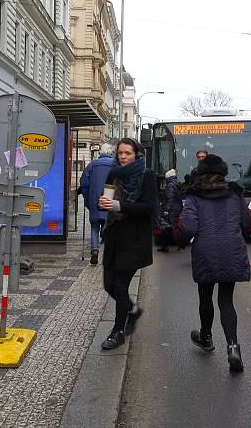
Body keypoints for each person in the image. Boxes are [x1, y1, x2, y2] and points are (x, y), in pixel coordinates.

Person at [177, 154, 251, 372]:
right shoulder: (235, 193)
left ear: (200, 173)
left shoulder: (194, 196)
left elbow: (188, 227)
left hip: (205, 252)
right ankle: (233, 347)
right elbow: (246, 224)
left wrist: (179, 240)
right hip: (232, 250)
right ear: (223, 172)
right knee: (226, 301)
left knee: (205, 298)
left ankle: (206, 338)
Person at [98, 138, 157, 350]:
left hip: (134, 238)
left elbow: (148, 208)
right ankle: (133, 310)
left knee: (121, 285)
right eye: (121, 153)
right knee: (109, 285)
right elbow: (106, 196)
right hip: (114, 234)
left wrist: (119, 205)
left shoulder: (147, 175)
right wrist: (104, 202)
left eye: (128, 153)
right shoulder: (113, 173)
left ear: (136, 154)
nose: (123, 157)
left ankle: (118, 331)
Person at [78, 143, 116, 265]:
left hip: (94, 201)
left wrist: (87, 198)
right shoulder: (115, 165)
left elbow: (84, 182)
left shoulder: (92, 165)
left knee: (94, 226)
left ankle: (94, 250)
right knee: (109, 227)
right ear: (111, 153)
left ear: (100, 153)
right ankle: (108, 255)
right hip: (110, 200)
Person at [158, 168, 184, 252]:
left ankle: (179, 243)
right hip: (177, 208)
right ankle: (165, 246)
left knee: (168, 228)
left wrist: (166, 210)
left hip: (171, 210)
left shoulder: (170, 186)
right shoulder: (177, 184)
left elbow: (170, 198)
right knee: (168, 228)